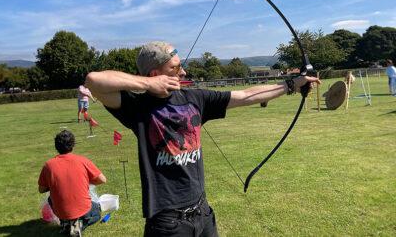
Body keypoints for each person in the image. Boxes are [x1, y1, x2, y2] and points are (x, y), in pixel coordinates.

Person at [85, 41, 320, 237]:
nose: (183, 72)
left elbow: (247, 95)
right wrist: (147, 84)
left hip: (203, 213)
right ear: (155, 74)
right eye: (175, 68)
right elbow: (93, 81)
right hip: (168, 223)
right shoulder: (137, 107)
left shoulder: (195, 98)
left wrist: (292, 84)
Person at [38, 130, 107, 236]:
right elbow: (102, 180)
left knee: (50, 199)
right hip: (84, 210)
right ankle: (77, 226)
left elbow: (41, 189)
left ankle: (67, 224)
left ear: (56, 146)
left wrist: (53, 184)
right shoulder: (83, 161)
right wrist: (86, 181)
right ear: (73, 145)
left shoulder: (48, 165)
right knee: (97, 210)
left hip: (61, 212)